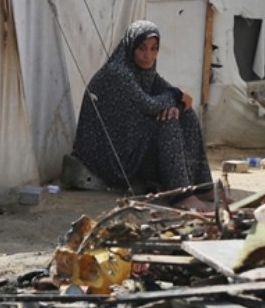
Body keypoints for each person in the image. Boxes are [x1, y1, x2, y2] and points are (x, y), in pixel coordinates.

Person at [72, 20, 213, 211]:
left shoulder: (146, 71)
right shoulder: (118, 72)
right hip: (108, 152)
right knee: (167, 123)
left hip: (130, 138)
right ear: (130, 47)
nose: (149, 55)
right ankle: (180, 194)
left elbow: (180, 98)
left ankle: (201, 185)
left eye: (154, 49)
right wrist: (175, 98)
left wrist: (176, 105)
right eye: (142, 48)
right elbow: (150, 105)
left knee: (186, 116)